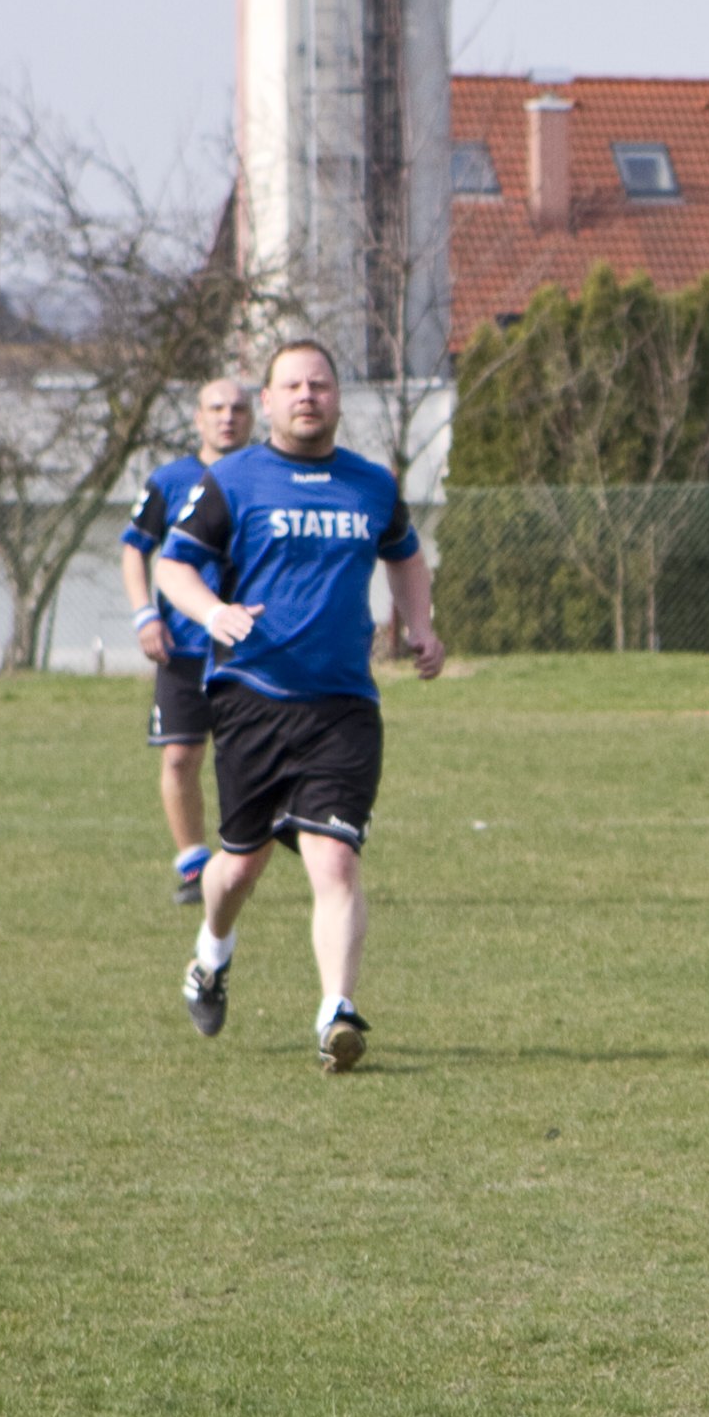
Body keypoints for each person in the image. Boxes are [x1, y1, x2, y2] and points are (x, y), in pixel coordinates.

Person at [152, 338, 441, 1073]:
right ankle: (211, 954)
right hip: (254, 697)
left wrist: (421, 623)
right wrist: (212, 612)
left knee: (335, 862)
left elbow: (404, 553)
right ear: (271, 403)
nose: (307, 395)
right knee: (239, 871)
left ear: (338, 399)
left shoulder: (372, 484)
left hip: (344, 704)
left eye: (320, 384)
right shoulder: (233, 480)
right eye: (292, 386)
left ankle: (335, 1013)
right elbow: (173, 563)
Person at [121, 377, 254, 904]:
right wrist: (144, 615)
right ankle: (195, 866)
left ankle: (245, 856)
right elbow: (136, 548)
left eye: (238, 408)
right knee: (180, 758)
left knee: (248, 758)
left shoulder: (264, 477)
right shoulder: (170, 480)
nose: (228, 417)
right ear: (198, 419)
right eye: (216, 408)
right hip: (183, 649)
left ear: (253, 417)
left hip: (247, 649)